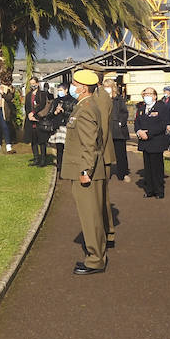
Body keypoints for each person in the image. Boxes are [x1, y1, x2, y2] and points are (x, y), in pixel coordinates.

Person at [61, 69, 114, 275]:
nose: (72, 87)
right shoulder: (86, 105)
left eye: (74, 83)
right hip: (90, 168)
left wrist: (85, 170)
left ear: (83, 87)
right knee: (92, 215)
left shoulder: (85, 109)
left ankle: (95, 260)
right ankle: (97, 254)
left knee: (90, 216)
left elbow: (89, 144)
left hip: (87, 170)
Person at [133, 87, 168, 198]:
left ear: (155, 96)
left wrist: (148, 133)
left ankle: (159, 191)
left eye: (149, 94)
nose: (147, 96)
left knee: (157, 168)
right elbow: (137, 123)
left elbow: (162, 124)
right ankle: (149, 190)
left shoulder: (161, 107)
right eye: (145, 94)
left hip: (155, 141)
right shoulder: (141, 108)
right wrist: (139, 132)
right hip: (144, 143)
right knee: (148, 169)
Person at [25, 77, 51, 166]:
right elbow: (27, 107)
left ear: (37, 83)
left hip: (39, 119)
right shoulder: (28, 95)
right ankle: (36, 158)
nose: (32, 85)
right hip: (30, 121)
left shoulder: (42, 94)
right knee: (33, 141)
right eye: (31, 84)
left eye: (34, 83)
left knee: (42, 141)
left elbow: (42, 105)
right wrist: (29, 114)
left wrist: (33, 113)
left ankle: (43, 159)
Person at [108, 81, 130, 181]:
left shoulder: (118, 99)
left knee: (120, 153)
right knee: (106, 154)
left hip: (118, 131)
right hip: (107, 130)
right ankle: (106, 174)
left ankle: (123, 173)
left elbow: (124, 113)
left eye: (108, 87)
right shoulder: (102, 100)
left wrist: (121, 123)